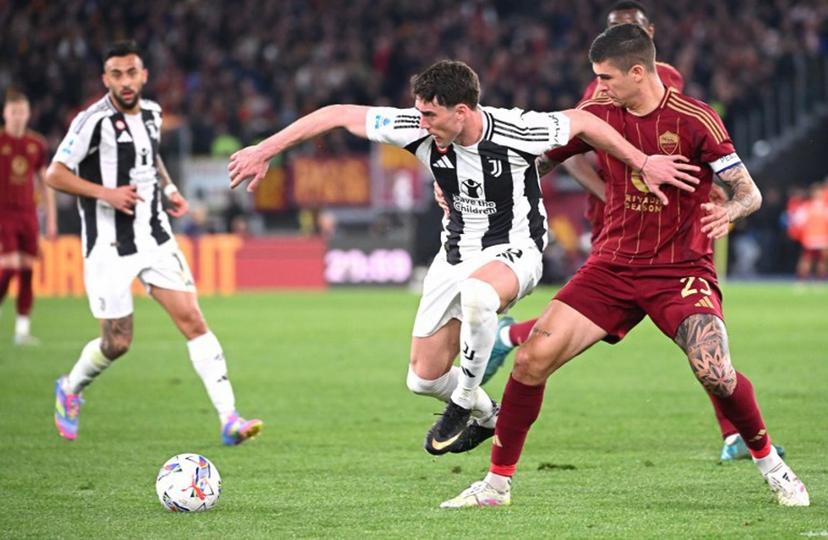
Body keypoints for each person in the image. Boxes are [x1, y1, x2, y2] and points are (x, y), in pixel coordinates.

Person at [228, 59, 697, 455]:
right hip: (454, 253)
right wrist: (265, 150)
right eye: (419, 112)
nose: (421, 122)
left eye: (430, 115)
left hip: (517, 248)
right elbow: (335, 114)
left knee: (478, 296)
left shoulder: (517, 128)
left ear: (463, 111)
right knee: (423, 379)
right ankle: (487, 416)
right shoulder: (418, 129)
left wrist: (642, 161)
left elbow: (586, 122)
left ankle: (466, 398)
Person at [441, 24, 809, 508]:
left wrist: (730, 210)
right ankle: (495, 486)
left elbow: (749, 192)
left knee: (715, 371)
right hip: (611, 267)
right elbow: (543, 161)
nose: (599, 87)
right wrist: (478, 187)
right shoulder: (597, 114)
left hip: (680, 269)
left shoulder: (696, 120)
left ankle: (775, 469)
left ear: (639, 72)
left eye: (606, 77)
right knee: (531, 361)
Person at [46, 41, 262, 445]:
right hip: (108, 245)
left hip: (155, 235)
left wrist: (170, 188)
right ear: (105, 78)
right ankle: (70, 389)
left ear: (143, 75)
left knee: (194, 322)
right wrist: (104, 193)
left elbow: (150, 156)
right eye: (116, 74)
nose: (125, 82)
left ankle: (229, 418)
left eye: (131, 73)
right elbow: (54, 174)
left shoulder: (153, 113)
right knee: (117, 342)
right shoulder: (91, 121)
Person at [0, 88, 56, 345]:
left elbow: (44, 183)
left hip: (28, 215)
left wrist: (51, 219)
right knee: (9, 265)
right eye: (14, 112)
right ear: (5, 114)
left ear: (29, 113)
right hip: (3, 214)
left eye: (22, 111)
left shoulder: (37, 144)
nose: (18, 117)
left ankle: (22, 331)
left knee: (27, 270)